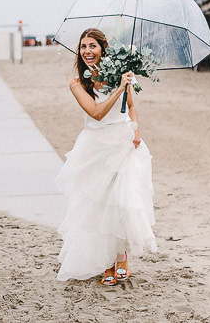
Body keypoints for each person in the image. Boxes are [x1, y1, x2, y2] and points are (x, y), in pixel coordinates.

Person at [56, 28, 157, 285]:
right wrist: (118, 88)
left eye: (92, 46)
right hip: (95, 147)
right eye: (83, 47)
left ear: (103, 48)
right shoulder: (76, 82)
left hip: (124, 143)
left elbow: (131, 108)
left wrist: (135, 129)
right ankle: (108, 263)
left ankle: (122, 258)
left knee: (122, 202)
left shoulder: (119, 74)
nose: (87, 51)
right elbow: (96, 113)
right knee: (100, 206)